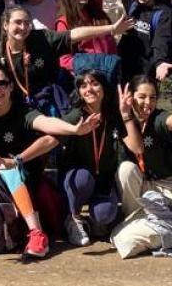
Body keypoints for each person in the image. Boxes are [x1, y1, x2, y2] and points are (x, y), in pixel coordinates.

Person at [0, 66, 66, 258]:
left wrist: (74, 129)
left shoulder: (23, 112)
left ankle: (37, 234)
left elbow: (51, 133)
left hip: (27, 180)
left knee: (7, 167)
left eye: (1, 83)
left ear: (10, 87)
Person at [110, 76, 172, 258]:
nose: (147, 103)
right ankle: (133, 218)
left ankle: (145, 230)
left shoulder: (159, 117)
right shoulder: (122, 118)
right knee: (126, 169)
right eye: (142, 96)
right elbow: (137, 147)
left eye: (152, 97)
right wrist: (127, 116)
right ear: (130, 97)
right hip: (144, 183)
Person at [0, 5, 132, 116]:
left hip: (53, 101)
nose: (23, 27)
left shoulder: (40, 38)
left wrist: (111, 28)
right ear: (5, 25)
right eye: (18, 23)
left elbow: (73, 35)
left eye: (27, 23)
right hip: (18, 107)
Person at [43, 70, 125, 246]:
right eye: (83, 85)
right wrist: (19, 159)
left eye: (95, 83)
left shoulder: (114, 115)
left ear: (104, 87)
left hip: (103, 179)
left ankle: (95, 221)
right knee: (82, 179)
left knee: (104, 215)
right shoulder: (75, 116)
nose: (89, 89)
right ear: (78, 91)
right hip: (78, 178)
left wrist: (127, 115)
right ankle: (73, 218)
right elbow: (51, 139)